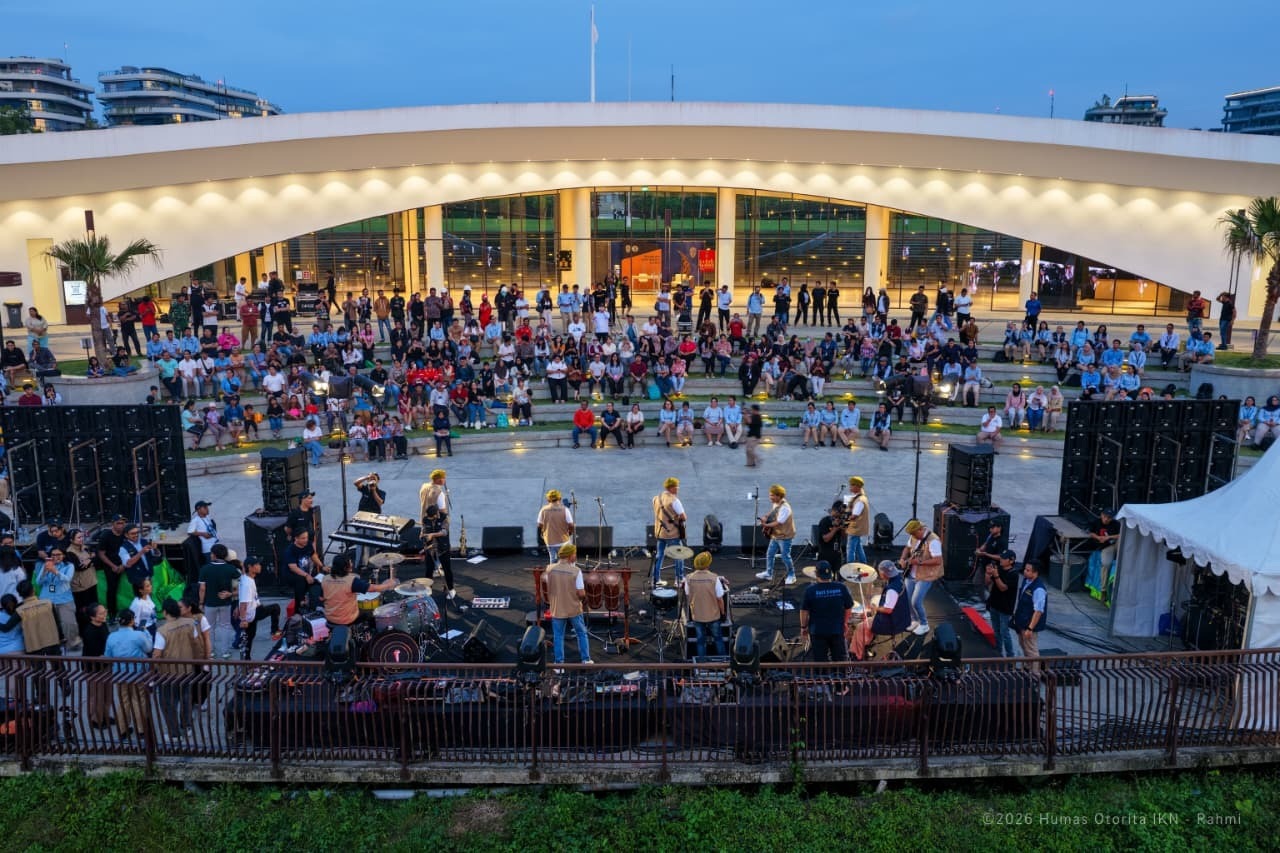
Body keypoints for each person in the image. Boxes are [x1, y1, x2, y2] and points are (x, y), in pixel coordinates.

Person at [152, 597, 202, 741]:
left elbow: (157, 654)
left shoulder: (162, 631)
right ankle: (187, 727)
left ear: (165, 612)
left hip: (168, 673)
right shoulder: (190, 623)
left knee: (168, 703)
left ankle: (174, 733)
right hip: (187, 670)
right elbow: (197, 645)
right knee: (186, 699)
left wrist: (153, 671)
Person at [104, 608, 152, 743]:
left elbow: (108, 656)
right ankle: (141, 730)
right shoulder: (138, 635)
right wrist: (146, 632)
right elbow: (148, 648)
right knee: (138, 700)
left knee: (123, 700)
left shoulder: (111, 636)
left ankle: (123, 730)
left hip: (119, 674)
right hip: (137, 673)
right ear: (132, 621)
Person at [848, 561, 912, 661]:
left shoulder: (892, 590)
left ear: (883, 574)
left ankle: (857, 656)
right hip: (903, 618)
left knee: (861, 627)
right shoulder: (899, 578)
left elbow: (888, 610)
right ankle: (866, 642)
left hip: (892, 623)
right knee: (868, 617)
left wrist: (875, 608)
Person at [321, 551, 398, 630]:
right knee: (372, 613)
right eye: (350, 563)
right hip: (346, 620)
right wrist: (388, 585)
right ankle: (372, 635)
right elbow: (373, 589)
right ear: (345, 568)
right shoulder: (351, 581)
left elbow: (321, 598)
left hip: (329, 618)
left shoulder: (325, 578)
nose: (352, 564)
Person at [800, 561, 853, 662]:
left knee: (820, 662)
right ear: (831, 574)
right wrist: (845, 622)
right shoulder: (841, 587)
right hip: (837, 630)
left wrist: (804, 627)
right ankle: (839, 677)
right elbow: (848, 607)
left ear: (816, 574)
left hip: (817, 631)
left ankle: (822, 676)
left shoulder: (810, 590)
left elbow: (804, 611)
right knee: (839, 662)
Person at [899, 519, 943, 636]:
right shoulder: (914, 536)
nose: (913, 536)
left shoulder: (933, 540)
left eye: (914, 534)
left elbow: (938, 560)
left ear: (920, 529)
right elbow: (907, 548)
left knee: (916, 601)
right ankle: (914, 621)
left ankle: (924, 624)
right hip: (911, 573)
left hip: (926, 576)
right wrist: (903, 559)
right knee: (907, 599)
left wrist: (919, 562)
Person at [197, 544, 239, 659]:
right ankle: (225, 652)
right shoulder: (231, 569)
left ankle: (211, 652)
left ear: (214, 555)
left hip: (209, 603)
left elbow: (202, 588)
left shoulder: (205, 569)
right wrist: (231, 594)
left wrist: (201, 603)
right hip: (226, 603)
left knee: (210, 627)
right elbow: (241, 584)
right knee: (225, 626)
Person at [684, 551, 728, 657]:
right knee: (718, 639)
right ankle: (723, 664)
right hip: (713, 616)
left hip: (697, 616)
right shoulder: (714, 578)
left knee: (700, 641)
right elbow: (720, 599)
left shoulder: (689, 578)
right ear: (708, 564)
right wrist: (723, 613)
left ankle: (701, 666)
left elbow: (687, 594)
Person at [37, 546, 79, 650]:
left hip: (64, 599)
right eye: (53, 555)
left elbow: (67, 579)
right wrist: (44, 572)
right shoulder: (45, 565)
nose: (55, 557)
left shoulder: (69, 566)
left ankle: (72, 643)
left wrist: (55, 571)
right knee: (48, 625)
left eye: (58, 554)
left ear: (63, 555)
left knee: (69, 623)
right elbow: (38, 582)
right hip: (46, 599)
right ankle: (53, 646)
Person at [80, 603, 114, 729]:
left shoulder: (103, 625)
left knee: (107, 694)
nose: (104, 614)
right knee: (96, 695)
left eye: (105, 611)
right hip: (93, 669)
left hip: (105, 665)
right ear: (92, 617)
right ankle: (95, 720)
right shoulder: (89, 631)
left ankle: (105, 716)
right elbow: (95, 652)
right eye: (101, 613)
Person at [755, 484, 797, 584]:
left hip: (784, 536)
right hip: (776, 535)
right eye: (770, 495)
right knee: (770, 554)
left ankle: (792, 575)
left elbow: (778, 522)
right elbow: (773, 511)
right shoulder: (777, 503)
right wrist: (766, 516)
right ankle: (769, 574)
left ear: (779, 495)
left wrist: (765, 524)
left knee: (785, 556)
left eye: (772, 495)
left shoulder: (785, 508)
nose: (770, 497)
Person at [651, 477, 688, 587]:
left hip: (660, 532)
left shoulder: (656, 498)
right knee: (679, 556)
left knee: (659, 555)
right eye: (677, 487)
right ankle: (679, 579)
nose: (678, 489)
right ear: (671, 488)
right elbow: (684, 517)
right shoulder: (674, 500)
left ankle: (656, 579)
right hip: (672, 534)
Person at [983, 550, 1020, 658]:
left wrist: (996, 576)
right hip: (994, 604)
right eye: (1001, 557)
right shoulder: (998, 568)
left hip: (1005, 608)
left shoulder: (1013, 574)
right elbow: (987, 583)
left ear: (1011, 560)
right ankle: (998, 652)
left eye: (1004, 558)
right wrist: (987, 573)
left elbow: (1003, 588)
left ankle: (1010, 656)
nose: (1001, 560)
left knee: (1005, 633)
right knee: (996, 630)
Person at [1012, 562, 1047, 661]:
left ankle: (1035, 674)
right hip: (1021, 621)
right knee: (1023, 645)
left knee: (1031, 650)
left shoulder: (1038, 589)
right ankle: (1028, 668)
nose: (1024, 572)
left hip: (1028, 625)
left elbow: (1038, 611)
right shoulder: (1026, 581)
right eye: (1025, 569)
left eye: (1028, 570)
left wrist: (1030, 628)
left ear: (1035, 573)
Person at [420, 504, 457, 599]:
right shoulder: (425, 519)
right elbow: (423, 529)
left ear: (435, 514)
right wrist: (422, 535)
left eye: (431, 517)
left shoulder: (444, 518)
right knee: (429, 570)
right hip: (430, 549)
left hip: (443, 548)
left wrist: (432, 535)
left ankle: (451, 589)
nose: (428, 519)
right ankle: (428, 589)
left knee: (447, 569)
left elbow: (444, 532)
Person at [284, 529, 325, 612]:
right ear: (296, 538)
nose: (306, 540)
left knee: (318, 581)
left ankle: (315, 602)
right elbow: (293, 567)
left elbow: (313, 555)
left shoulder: (308, 544)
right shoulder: (290, 550)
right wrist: (306, 575)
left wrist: (322, 566)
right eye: (303, 538)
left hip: (304, 573)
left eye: (306, 537)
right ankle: (300, 604)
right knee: (301, 581)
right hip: (291, 574)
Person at [96, 515, 128, 619]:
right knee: (112, 590)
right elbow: (101, 554)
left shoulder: (125, 534)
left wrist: (124, 565)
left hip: (125, 564)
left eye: (122, 523)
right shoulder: (106, 536)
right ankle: (112, 614)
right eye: (118, 523)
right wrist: (113, 566)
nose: (121, 525)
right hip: (111, 566)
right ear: (112, 524)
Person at [537, 490, 575, 566]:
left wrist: (543, 532)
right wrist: (570, 532)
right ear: (559, 498)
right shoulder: (565, 509)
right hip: (563, 541)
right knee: (569, 562)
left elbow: (539, 525)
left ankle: (554, 576)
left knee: (553, 561)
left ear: (548, 499)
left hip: (550, 541)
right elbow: (571, 525)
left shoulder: (543, 510)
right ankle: (569, 575)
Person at [1089, 509, 1120, 596]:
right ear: (1101, 515)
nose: (1106, 519)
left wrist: (1109, 537)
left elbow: (1122, 534)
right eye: (1105, 516)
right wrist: (1098, 537)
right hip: (1107, 547)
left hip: (1116, 544)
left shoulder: (1116, 524)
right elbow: (1090, 532)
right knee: (1106, 564)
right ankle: (1103, 590)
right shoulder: (1097, 522)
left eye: (1109, 518)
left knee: (1120, 541)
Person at [844, 476, 871, 565]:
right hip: (858, 528)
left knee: (850, 548)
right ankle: (863, 563)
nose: (850, 487)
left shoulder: (860, 500)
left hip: (855, 528)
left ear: (857, 486)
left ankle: (849, 565)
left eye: (852, 485)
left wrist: (845, 519)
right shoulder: (861, 497)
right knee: (858, 546)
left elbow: (855, 515)